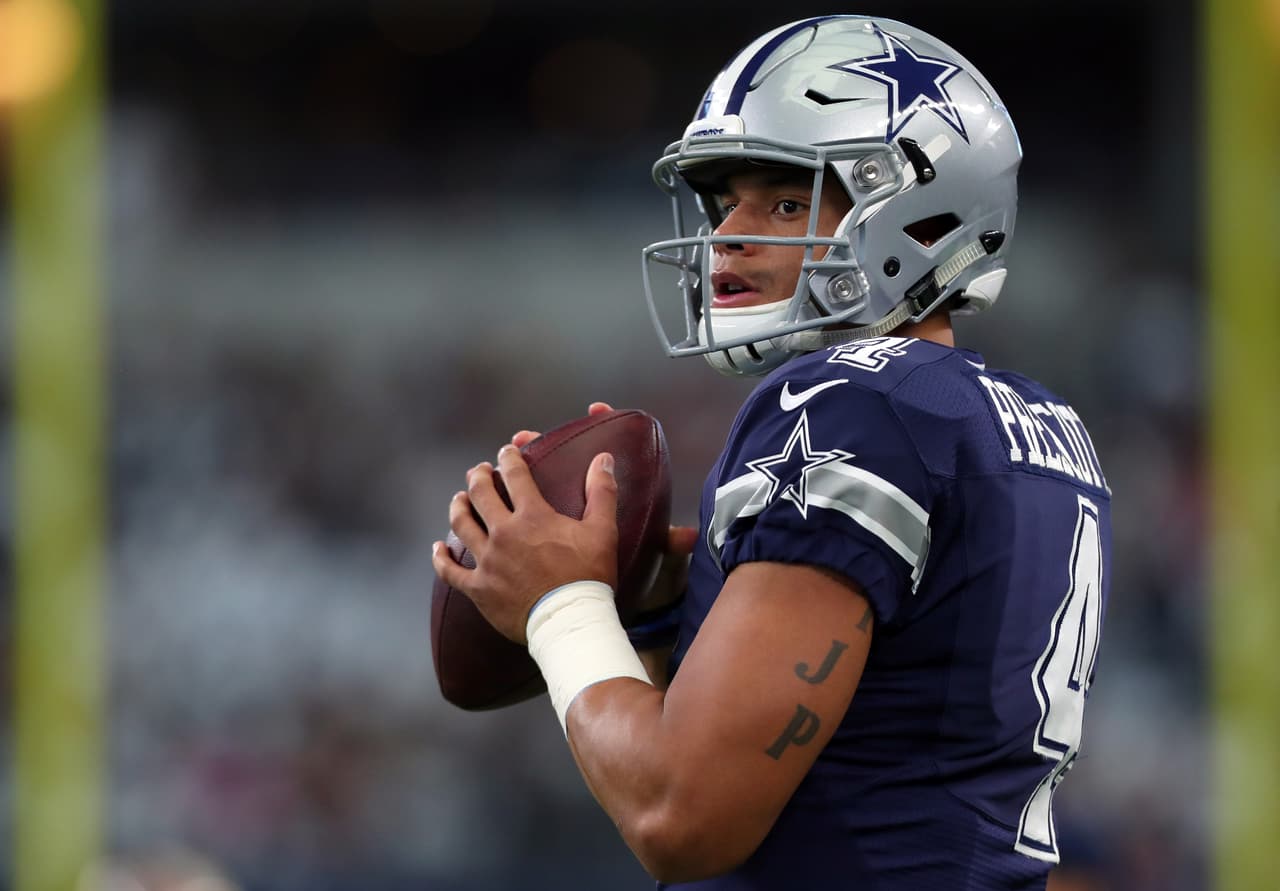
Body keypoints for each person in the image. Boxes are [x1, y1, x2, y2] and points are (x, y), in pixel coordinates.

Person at [432, 15, 1112, 889]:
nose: (730, 234)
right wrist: (646, 611)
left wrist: (560, 606)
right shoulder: (1038, 419)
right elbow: (883, 728)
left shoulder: (849, 403)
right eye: (725, 204)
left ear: (917, 212)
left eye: (787, 201)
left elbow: (679, 815)